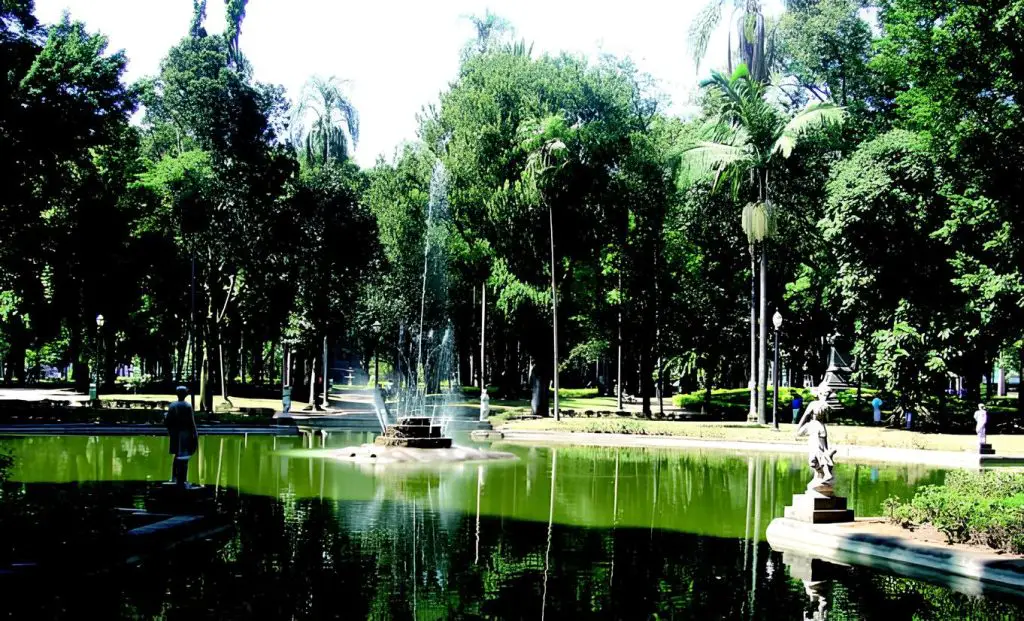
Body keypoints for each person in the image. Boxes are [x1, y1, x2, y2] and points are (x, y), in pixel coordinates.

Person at [166, 385, 199, 488]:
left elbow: (167, 421)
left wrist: (170, 431)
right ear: (185, 394)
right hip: (185, 434)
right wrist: (195, 434)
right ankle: (183, 479)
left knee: (176, 456)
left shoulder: (172, 405)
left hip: (175, 434)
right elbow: (192, 422)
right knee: (184, 457)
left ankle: (174, 478)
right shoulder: (187, 406)